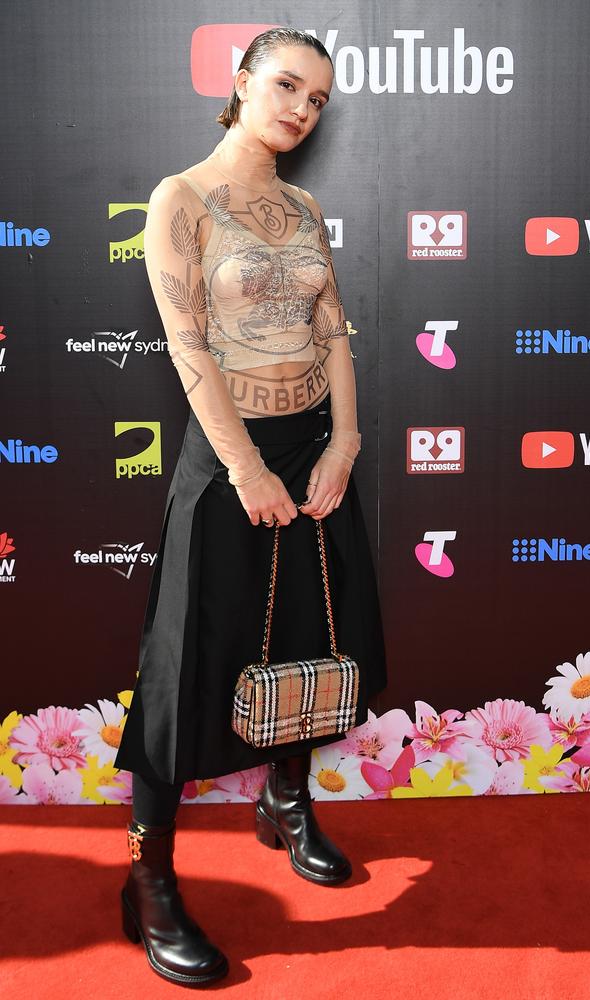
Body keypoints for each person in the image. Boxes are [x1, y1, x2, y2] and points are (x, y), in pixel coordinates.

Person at [113, 26, 387, 986]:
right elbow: (189, 346)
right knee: (188, 663)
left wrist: (345, 442)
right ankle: (148, 879)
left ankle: (288, 801)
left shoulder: (306, 205)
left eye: (315, 98)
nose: (300, 109)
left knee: (313, 638)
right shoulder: (180, 198)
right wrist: (245, 469)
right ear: (241, 81)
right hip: (231, 460)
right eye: (285, 85)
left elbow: (333, 331)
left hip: (316, 449)